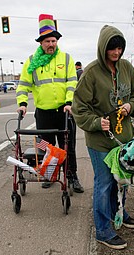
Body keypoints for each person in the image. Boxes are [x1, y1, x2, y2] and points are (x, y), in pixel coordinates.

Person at [72, 25, 134, 249]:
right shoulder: (91, 74)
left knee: (121, 182)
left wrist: (131, 105)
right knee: (104, 183)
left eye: (120, 48)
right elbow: (79, 108)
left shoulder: (128, 68)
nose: (116, 52)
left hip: (123, 138)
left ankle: (117, 212)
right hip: (100, 140)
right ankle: (103, 230)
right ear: (103, 48)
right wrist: (95, 122)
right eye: (112, 48)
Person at [16, 13, 84, 193]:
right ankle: (50, 175)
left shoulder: (67, 59)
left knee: (68, 147)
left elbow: (71, 82)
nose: (51, 44)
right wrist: (22, 103)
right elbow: (23, 84)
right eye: (47, 41)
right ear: (41, 43)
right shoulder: (31, 62)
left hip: (65, 111)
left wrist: (69, 102)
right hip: (43, 113)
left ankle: (72, 176)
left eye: (53, 41)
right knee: (46, 147)